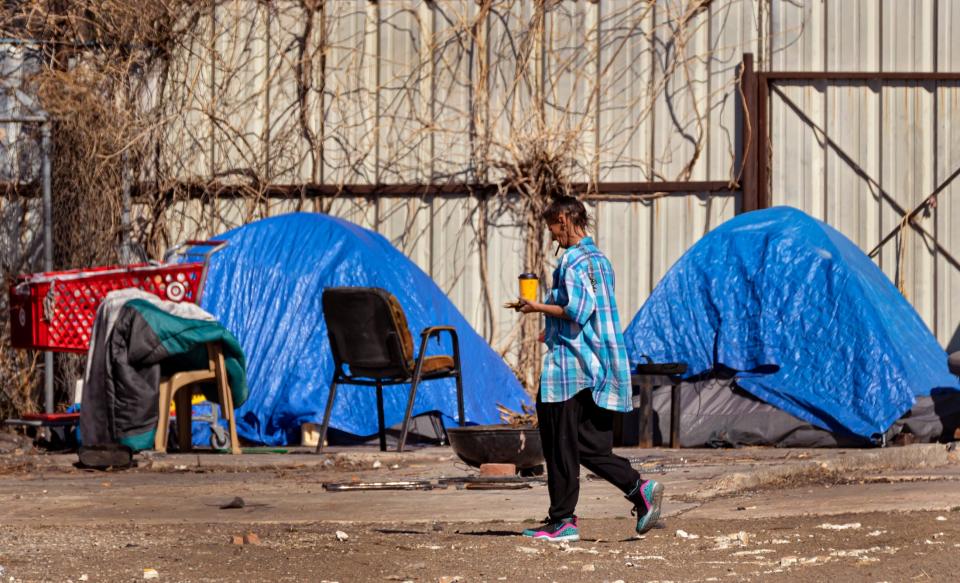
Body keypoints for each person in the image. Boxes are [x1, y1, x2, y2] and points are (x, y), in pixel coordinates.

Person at [516, 195, 663, 543]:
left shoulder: (574, 261)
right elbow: (594, 309)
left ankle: (563, 521)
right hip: (598, 363)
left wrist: (535, 306)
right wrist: (550, 330)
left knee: (558, 443)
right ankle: (639, 489)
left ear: (566, 220)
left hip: (569, 369)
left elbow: (577, 309)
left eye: (553, 228)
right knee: (586, 447)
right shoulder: (600, 261)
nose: (553, 237)